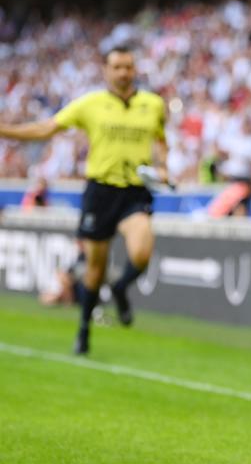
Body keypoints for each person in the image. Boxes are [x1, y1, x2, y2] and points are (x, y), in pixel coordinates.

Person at [0, 46, 169, 355]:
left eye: (128, 66)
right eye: (117, 66)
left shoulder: (153, 104)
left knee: (142, 252)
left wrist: (163, 167)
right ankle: (84, 328)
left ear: (135, 70)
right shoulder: (91, 104)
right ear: (105, 70)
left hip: (134, 191)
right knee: (95, 268)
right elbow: (46, 128)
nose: (123, 72)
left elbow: (160, 141)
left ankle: (119, 289)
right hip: (100, 192)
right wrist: (5, 129)